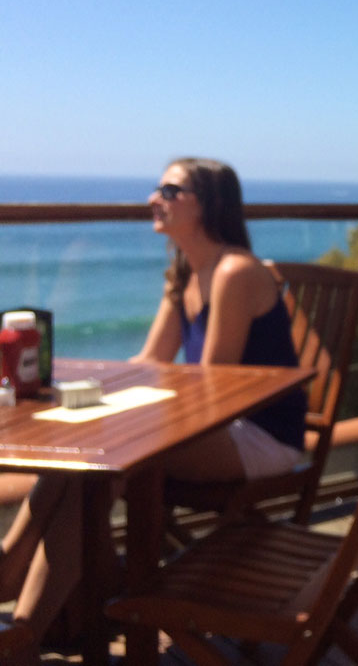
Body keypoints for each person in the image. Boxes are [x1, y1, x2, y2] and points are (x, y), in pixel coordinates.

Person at [0, 158, 305, 657]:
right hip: (219, 425)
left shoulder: (233, 272)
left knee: (111, 459)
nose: (152, 199)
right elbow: (151, 360)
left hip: (260, 433)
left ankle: (24, 621)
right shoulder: (185, 272)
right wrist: (89, 388)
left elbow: (213, 387)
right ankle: (26, 597)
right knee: (87, 458)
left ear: (208, 204)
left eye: (169, 190)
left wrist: (118, 413)